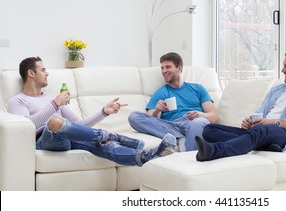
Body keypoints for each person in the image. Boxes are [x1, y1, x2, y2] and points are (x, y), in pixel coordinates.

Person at [7, 56, 176, 166]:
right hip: (45, 140)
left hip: (69, 136)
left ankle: (146, 156)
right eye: (43, 70)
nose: (47, 73)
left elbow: (79, 124)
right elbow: (27, 126)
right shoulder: (17, 100)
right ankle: (113, 136)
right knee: (54, 121)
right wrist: (55, 104)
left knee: (102, 145)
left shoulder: (54, 98)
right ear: (30, 73)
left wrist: (104, 111)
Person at [195, 46, 286, 161]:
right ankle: (265, 146)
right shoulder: (277, 89)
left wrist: (275, 122)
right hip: (261, 131)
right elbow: (260, 112)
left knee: (262, 130)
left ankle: (214, 151)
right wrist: (251, 120)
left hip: (284, 134)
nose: (282, 70)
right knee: (209, 130)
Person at [128, 52, 218, 151]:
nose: (164, 71)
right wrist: (157, 111)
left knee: (198, 123)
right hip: (172, 125)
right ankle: (179, 136)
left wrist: (200, 115)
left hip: (193, 122)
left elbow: (214, 117)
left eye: (167, 67)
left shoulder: (198, 88)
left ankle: (188, 157)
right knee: (134, 117)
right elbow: (150, 119)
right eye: (162, 68)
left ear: (179, 68)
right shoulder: (160, 93)